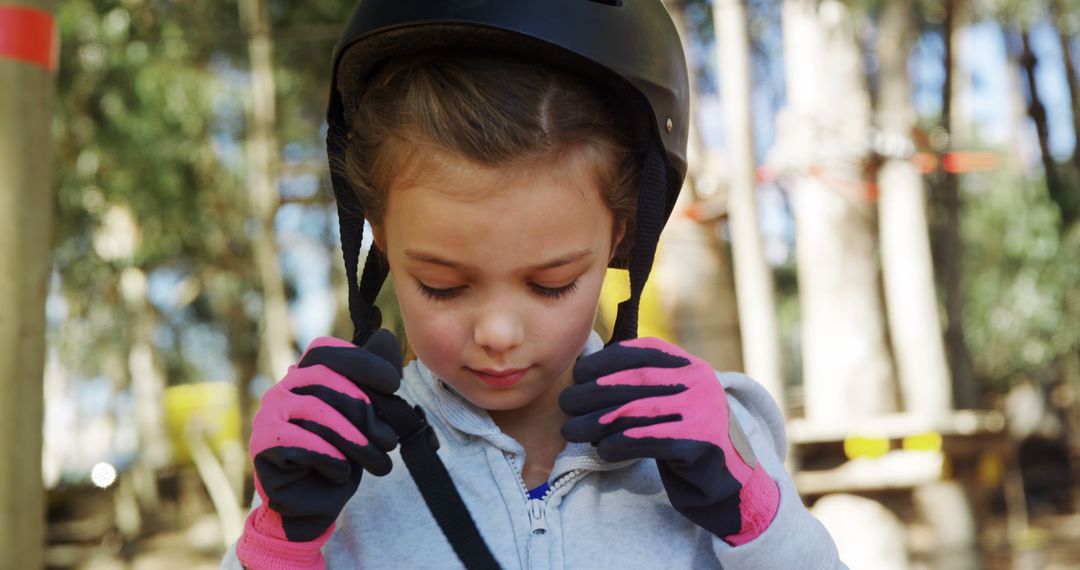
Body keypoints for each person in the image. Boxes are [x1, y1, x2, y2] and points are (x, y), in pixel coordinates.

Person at [223, 1, 845, 568]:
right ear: (381, 242)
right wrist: (278, 543)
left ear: (622, 241)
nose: (497, 333)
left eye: (551, 284)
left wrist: (762, 526)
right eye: (441, 285)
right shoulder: (341, 471)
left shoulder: (719, 443)